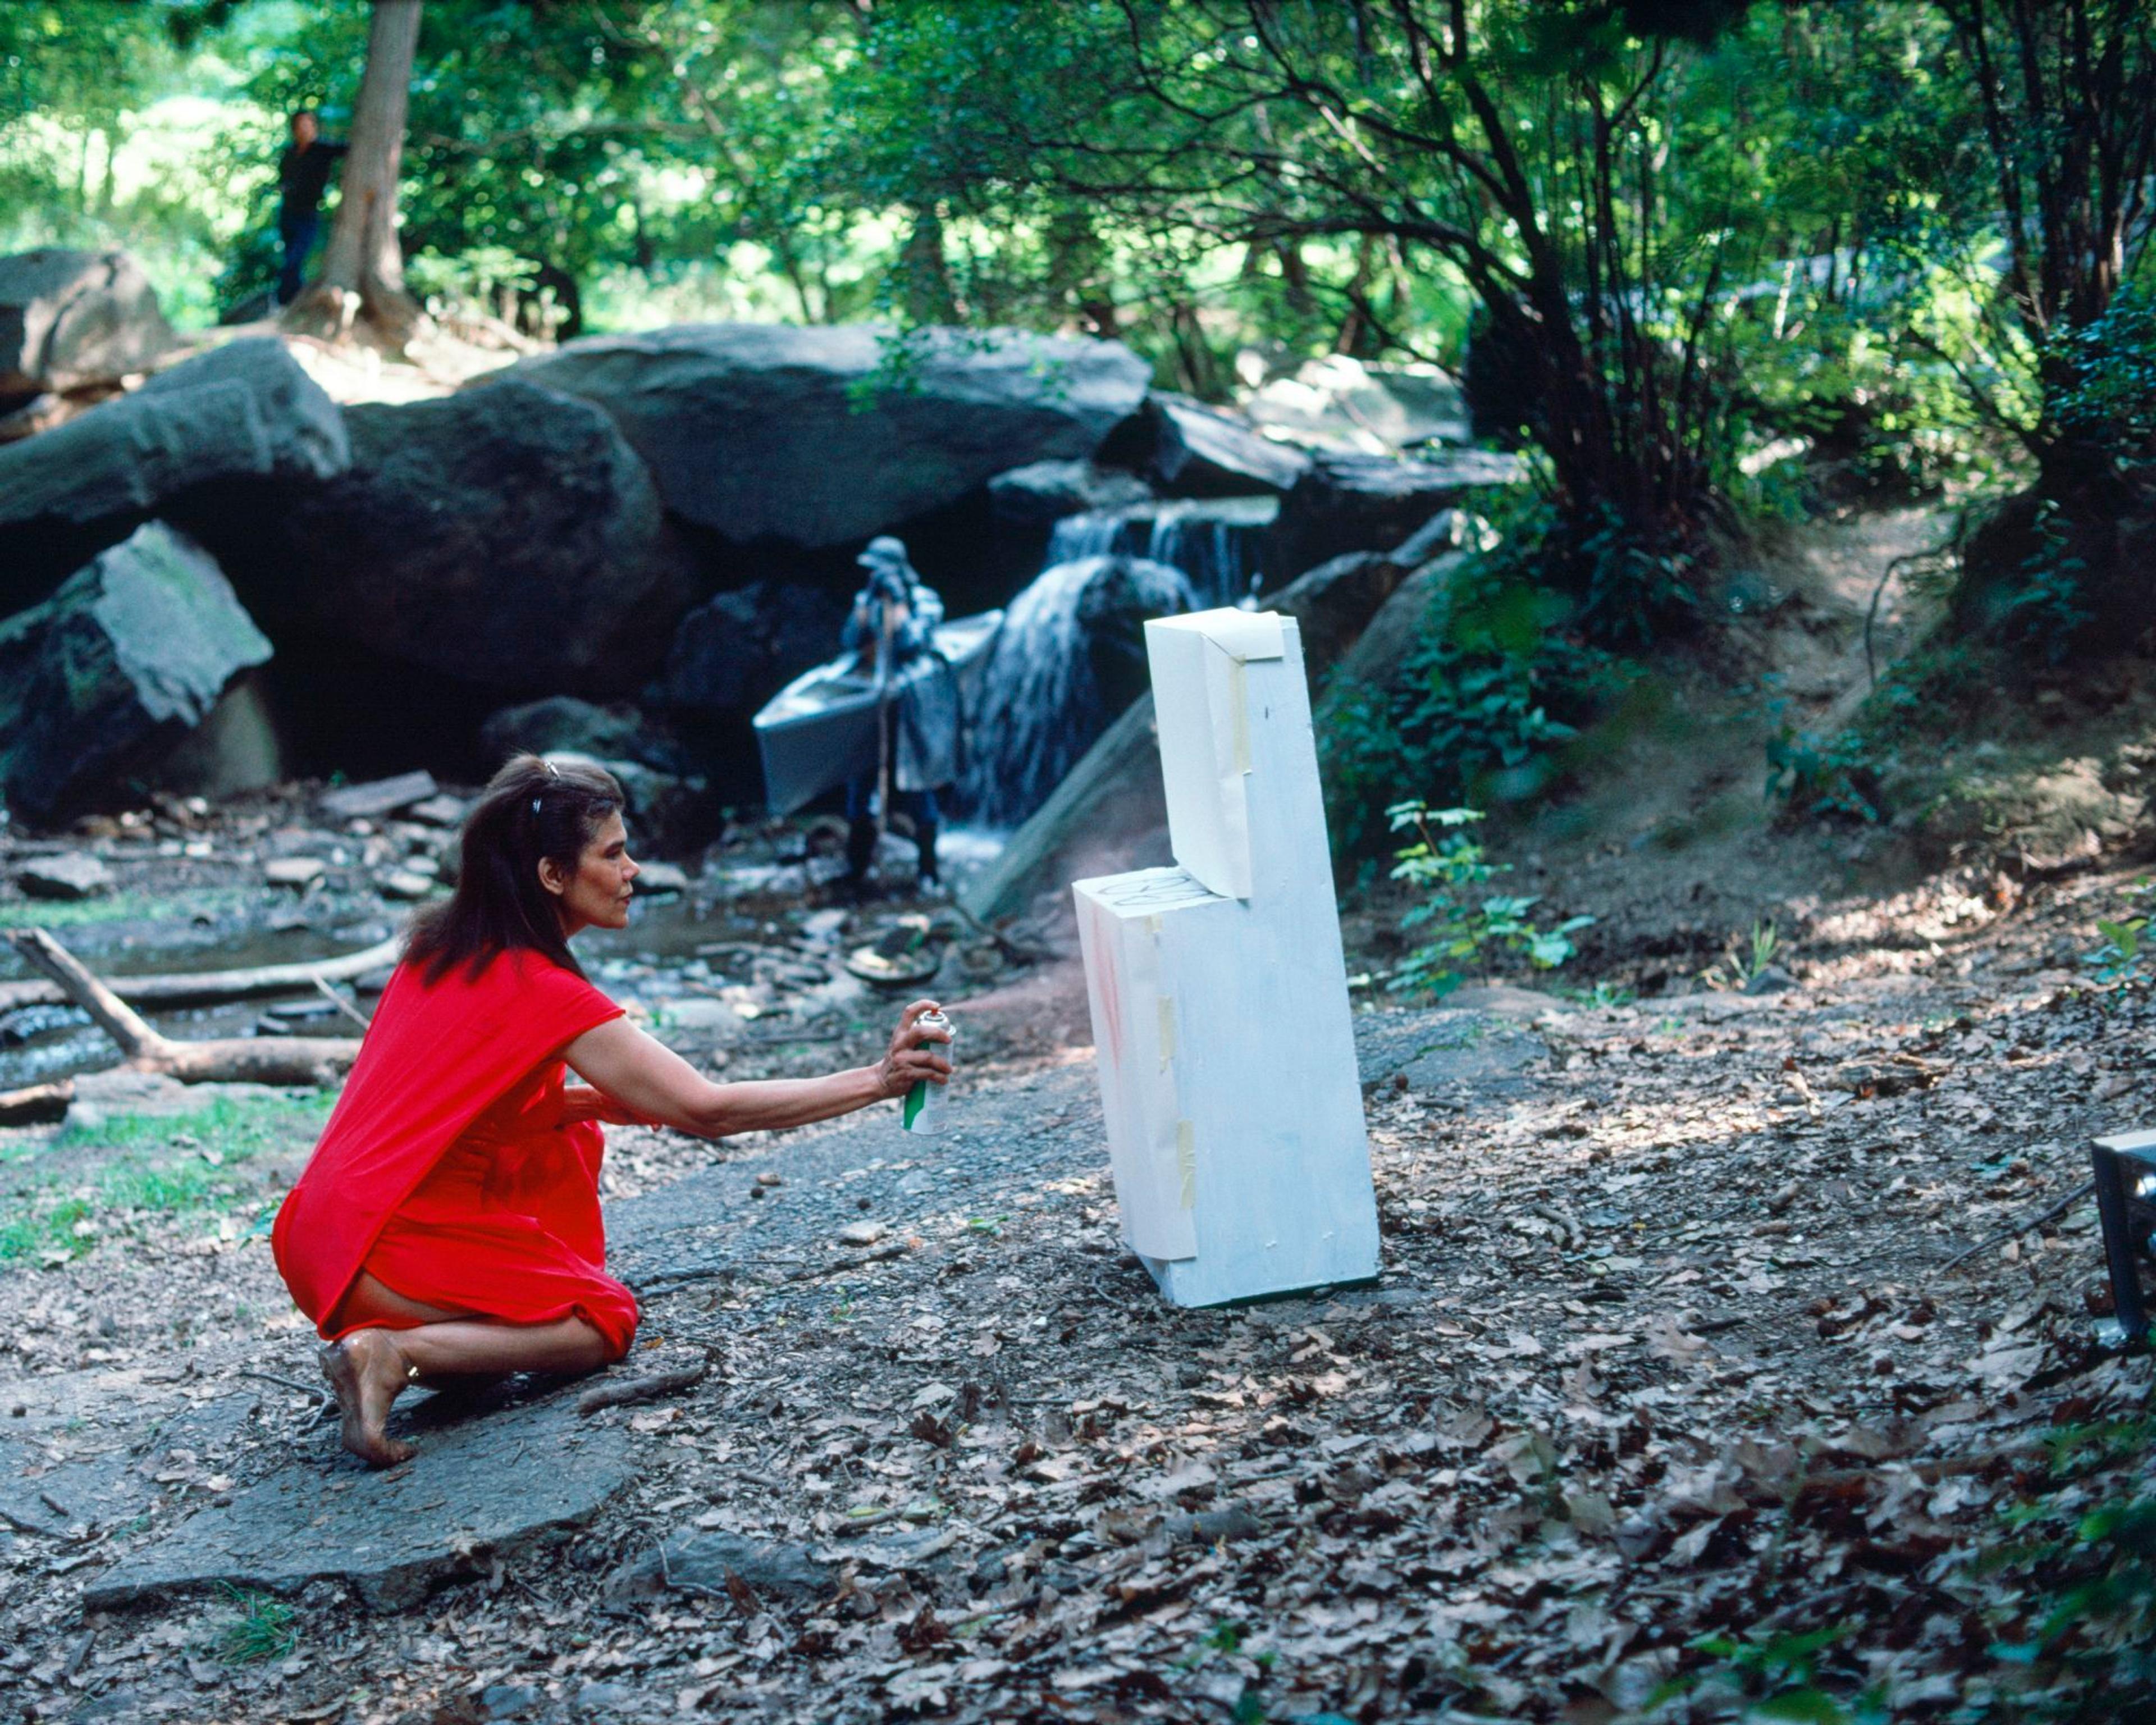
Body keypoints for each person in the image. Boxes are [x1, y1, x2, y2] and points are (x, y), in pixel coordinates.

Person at [272, 754, 951, 1467]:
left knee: (564, 1150)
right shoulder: (545, 991)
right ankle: (391, 1351)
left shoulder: (439, 951)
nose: (634, 872)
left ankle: (407, 1344)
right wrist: (878, 1080)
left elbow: (439, 1106)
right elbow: (709, 1111)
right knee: (602, 1323)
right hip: (383, 1247)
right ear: (552, 876)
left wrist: (581, 1101)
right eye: (615, 853)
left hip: (317, 1237)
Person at [841, 536, 960, 892]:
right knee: (859, 795)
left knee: (920, 792)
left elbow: (911, 643)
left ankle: (928, 870)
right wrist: (868, 607)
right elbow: (850, 640)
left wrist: (901, 604)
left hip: (911, 713)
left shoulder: (925, 601)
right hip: (872, 709)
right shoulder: (867, 601)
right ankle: (857, 870)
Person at [276, 109, 348, 306]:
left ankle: (286, 301)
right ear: (294, 129)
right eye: (300, 125)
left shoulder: (323, 149)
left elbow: (348, 149)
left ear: (314, 126)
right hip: (288, 212)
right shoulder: (290, 152)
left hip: (308, 213)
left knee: (295, 259)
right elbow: (283, 179)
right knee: (289, 258)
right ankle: (290, 302)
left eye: (308, 124)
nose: (304, 128)